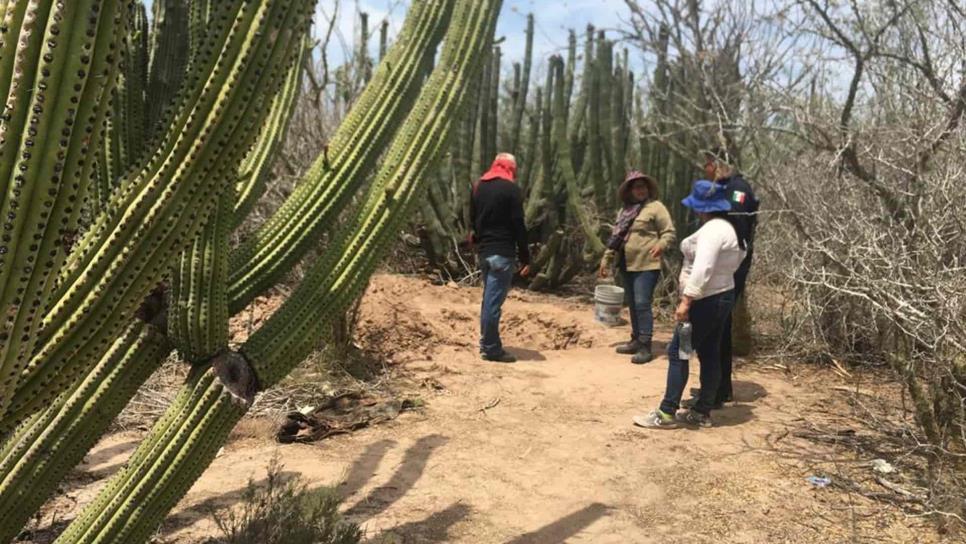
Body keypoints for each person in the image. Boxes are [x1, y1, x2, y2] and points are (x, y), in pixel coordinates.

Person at [633, 180, 747, 428]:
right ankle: (702, 410)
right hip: (722, 295)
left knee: (678, 352)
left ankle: (666, 412)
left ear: (702, 207)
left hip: (705, 300)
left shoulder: (713, 231)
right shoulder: (730, 228)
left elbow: (703, 267)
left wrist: (687, 299)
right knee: (709, 353)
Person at [691, 148, 759, 407]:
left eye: (706, 165)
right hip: (721, 267)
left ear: (715, 163)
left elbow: (734, 230)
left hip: (728, 269)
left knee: (718, 325)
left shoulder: (737, 188)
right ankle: (717, 387)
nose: (705, 170)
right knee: (719, 326)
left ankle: (718, 390)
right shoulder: (725, 187)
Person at [599, 171, 675, 364]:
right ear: (630, 191)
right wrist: (606, 259)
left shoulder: (656, 208)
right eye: (636, 187)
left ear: (648, 189)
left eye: (643, 186)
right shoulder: (625, 211)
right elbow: (616, 239)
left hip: (647, 263)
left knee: (642, 303)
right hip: (626, 263)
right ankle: (635, 339)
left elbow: (669, 232)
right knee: (632, 303)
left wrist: (661, 245)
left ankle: (645, 345)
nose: (640, 190)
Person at [470, 153, 531, 363]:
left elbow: (472, 218)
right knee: (493, 303)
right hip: (502, 252)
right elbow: (518, 224)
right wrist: (526, 257)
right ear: (511, 168)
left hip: (485, 251)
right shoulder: (511, 189)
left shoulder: (479, 186)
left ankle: (486, 342)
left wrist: (478, 241)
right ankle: (492, 349)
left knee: (488, 299)